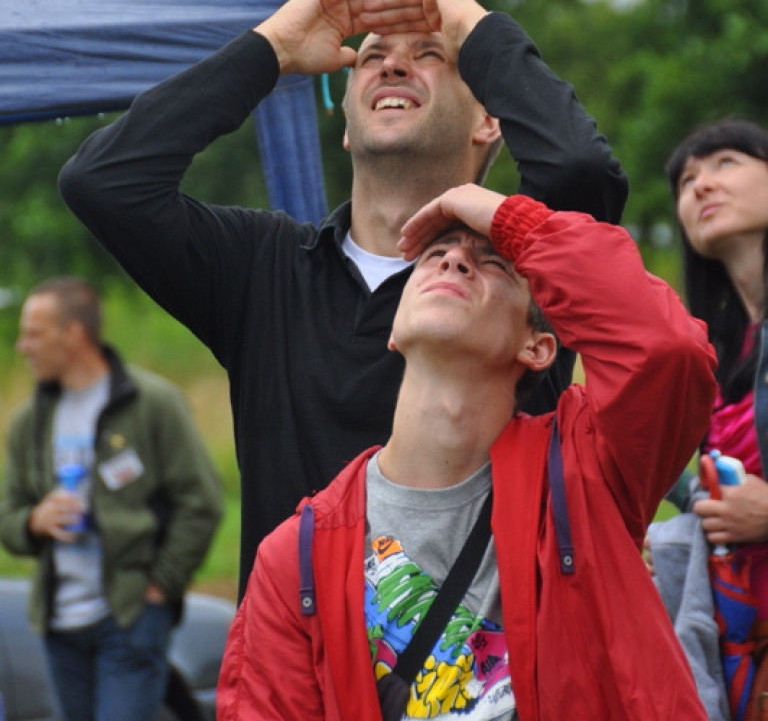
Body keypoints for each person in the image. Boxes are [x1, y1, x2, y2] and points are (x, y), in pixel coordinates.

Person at [58, 0, 628, 596]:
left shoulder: (516, 279)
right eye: (372, 57)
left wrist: (475, 28)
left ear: (488, 122)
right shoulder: (262, 267)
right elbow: (104, 183)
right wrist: (270, 50)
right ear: (349, 127)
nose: (391, 66)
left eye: (431, 54)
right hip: (294, 675)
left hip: (482, 682)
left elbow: (580, 168)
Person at [216, 181, 716, 720]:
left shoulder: (584, 471)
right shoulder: (296, 559)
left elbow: (667, 350)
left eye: (493, 263)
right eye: (435, 255)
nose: (455, 260)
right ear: (395, 327)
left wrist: (511, 221)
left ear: (538, 347)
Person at [0, 276, 223, 721]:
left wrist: (160, 585)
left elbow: (201, 502)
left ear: (73, 334)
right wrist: (32, 521)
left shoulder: (152, 403)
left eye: (34, 334)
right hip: (58, 626)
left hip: (130, 617)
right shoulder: (30, 419)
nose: (23, 346)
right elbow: (7, 515)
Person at [660, 118, 768, 707]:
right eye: (686, 180)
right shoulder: (710, 359)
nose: (700, 185)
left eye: (727, 162)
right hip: (735, 656)